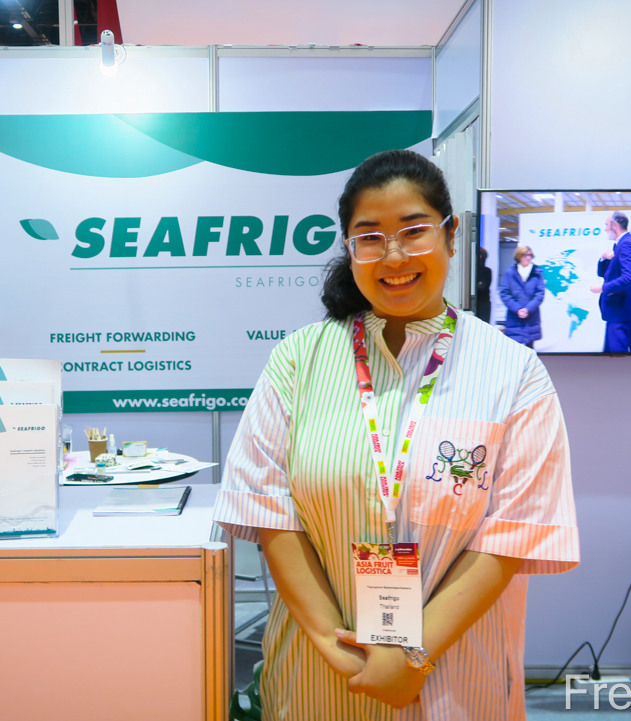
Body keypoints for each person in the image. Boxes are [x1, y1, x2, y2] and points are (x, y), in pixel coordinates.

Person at [212, 149, 579, 719]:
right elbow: (271, 517)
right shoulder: (299, 360)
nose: (394, 257)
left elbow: (509, 537)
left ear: (450, 235)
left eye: (414, 231)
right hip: (319, 674)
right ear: (350, 249)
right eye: (370, 238)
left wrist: (413, 656)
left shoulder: (513, 373)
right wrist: (340, 652)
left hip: (455, 678)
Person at [590, 211, 631, 353]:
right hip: (616, 313)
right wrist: (603, 258)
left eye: (606, 225)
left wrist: (603, 288)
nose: (605, 229)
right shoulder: (620, 245)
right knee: (610, 358)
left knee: (616, 359)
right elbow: (603, 273)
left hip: (621, 313)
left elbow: (628, 278)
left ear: (614, 225)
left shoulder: (627, 244)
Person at [499, 245, 545, 348]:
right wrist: (517, 309)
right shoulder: (510, 273)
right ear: (519, 256)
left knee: (530, 347)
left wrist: (528, 309)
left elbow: (540, 293)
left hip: (531, 315)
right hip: (514, 315)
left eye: (530, 255)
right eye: (525, 255)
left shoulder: (537, 272)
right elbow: (504, 293)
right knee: (515, 348)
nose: (528, 258)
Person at [473, 245, 492, 323]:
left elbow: (483, 286)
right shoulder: (471, 271)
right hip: (475, 303)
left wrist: (477, 284)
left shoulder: (487, 271)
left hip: (483, 304)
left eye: (482, 256)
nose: (480, 258)